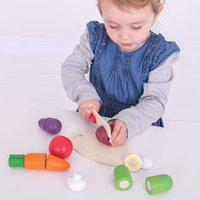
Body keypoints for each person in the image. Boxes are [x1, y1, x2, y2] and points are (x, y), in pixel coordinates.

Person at [61, 0, 180, 147]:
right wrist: (85, 95)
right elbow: (71, 67)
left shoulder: (160, 54)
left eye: (136, 27)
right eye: (113, 26)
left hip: (138, 124)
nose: (124, 36)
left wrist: (128, 122)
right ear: (100, 11)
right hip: (96, 118)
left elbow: (155, 101)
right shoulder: (95, 37)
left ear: (157, 13)